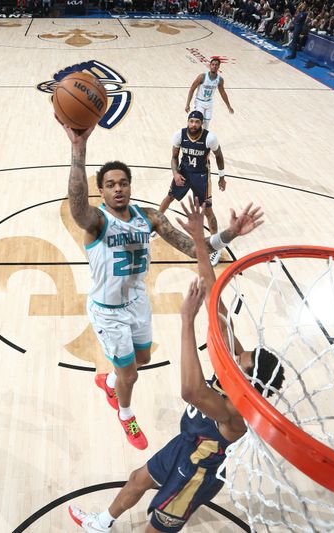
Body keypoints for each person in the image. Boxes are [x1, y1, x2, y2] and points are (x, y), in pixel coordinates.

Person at [68, 196, 279, 533]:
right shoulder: (235, 370)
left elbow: (191, 391)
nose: (240, 354)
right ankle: (102, 524)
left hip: (195, 474)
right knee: (138, 479)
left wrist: (185, 322)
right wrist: (201, 238)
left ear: (251, 380)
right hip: (185, 447)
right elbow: (215, 298)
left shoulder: (236, 413)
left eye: (245, 358)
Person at [63, 124, 261, 450]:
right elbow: (76, 207)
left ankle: (109, 382)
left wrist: (230, 233)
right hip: (107, 312)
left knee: (140, 359)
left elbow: (194, 245)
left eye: (123, 183)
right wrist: (78, 150)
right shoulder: (96, 221)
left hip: (138, 304)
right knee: (131, 375)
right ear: (101, 192)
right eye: (110, 185)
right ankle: (125, 412)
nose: (118, 189)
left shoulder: (150, 218)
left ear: (130, 187)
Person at [158, 110, 227, 267]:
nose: (193, 124)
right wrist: (175, 173)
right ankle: (153, 223)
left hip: (201, 176)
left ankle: (216, 247)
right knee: (169, 197)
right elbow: (174, 157)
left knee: (208, 210)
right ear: (188, 122)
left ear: (201, 123)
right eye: (191, 121)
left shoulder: (210, 138)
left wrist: (222, 177)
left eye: (197, 122)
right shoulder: (179, 135)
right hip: (184, 173)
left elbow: (219, 156)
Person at [184, 58, 233, 130]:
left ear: (219, 67)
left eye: (216, 65)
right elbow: (192, 89)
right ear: (210, 65)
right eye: (213, 64)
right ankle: (191, 136)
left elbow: (223, 93)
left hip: (209, 103)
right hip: (199, 102)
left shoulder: (220, 80)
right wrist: (187, 104)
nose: (214, 66)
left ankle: (203, 139)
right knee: (198, 121)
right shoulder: (202, 76)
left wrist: (228, 106)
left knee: (206, 124)